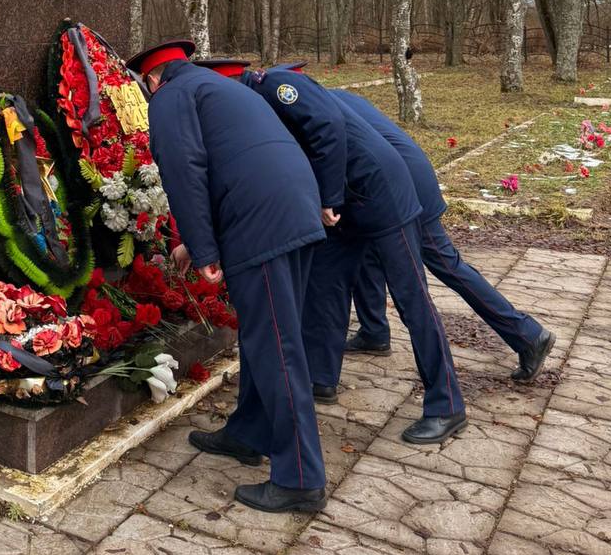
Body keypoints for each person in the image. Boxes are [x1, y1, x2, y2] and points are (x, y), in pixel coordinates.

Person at [128, 41, 328, 514]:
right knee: (269, 337)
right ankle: (249, 432)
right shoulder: (215, 87)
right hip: (291, 206)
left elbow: (185, 170)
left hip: (260, 223)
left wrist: (203, 250)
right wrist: (195, 243)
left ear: (151, 80)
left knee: (276, 347)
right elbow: (233, 158)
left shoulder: (171, 98)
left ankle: (300, 477)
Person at [241, 65, 467, 445]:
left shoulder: (275, 86)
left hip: (381, 194)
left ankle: (446, 404)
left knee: (412, 298)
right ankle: (320, 376)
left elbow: (327, 125)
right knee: (325, 283)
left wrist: (328, 197)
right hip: (349, 201)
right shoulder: (256, 102)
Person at [331, 88, 555, 382]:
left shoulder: (307, 108)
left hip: (403, 187)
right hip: (390, 180)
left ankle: (528, 334)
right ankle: (374, 331)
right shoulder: (332, 96)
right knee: (364, 247)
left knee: (446, 263)